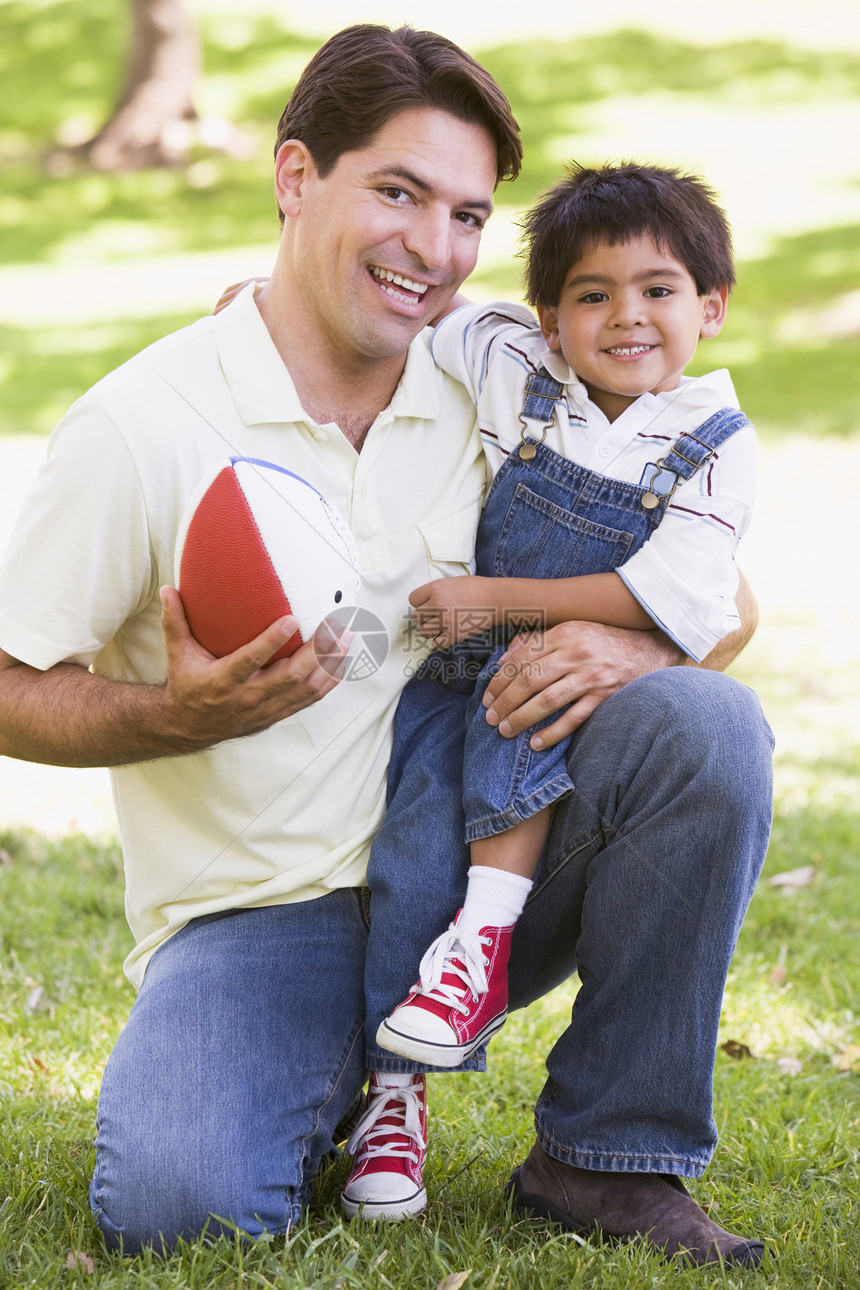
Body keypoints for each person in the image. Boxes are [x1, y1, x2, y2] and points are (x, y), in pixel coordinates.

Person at [0, 24, 772, 1267]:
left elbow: (718, 598)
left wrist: (641, 655)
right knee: (176, 1207)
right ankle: (333, 1072)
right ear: (295, 177)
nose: (433, 249)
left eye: (465, 215)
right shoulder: (143, 425)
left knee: (706, 725)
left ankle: (603, 1159)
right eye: (398, 193)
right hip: (268, 909)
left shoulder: (485, 381)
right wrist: (175, 716)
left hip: (486, 865)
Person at [372, 162, 755, 1067]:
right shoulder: (516, 361)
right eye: (592, 294)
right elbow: (423, 307)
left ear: (712, 305)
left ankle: (486, 942)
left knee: (526, 708)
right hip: (451, 674)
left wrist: (498, 602)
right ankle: (394, 1090)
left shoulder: (715, 446)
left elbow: (667, 596)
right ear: (549, 319)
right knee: (411, 853)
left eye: (658, 289)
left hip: (571, 688)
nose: (626, 315)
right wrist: (268, 295)